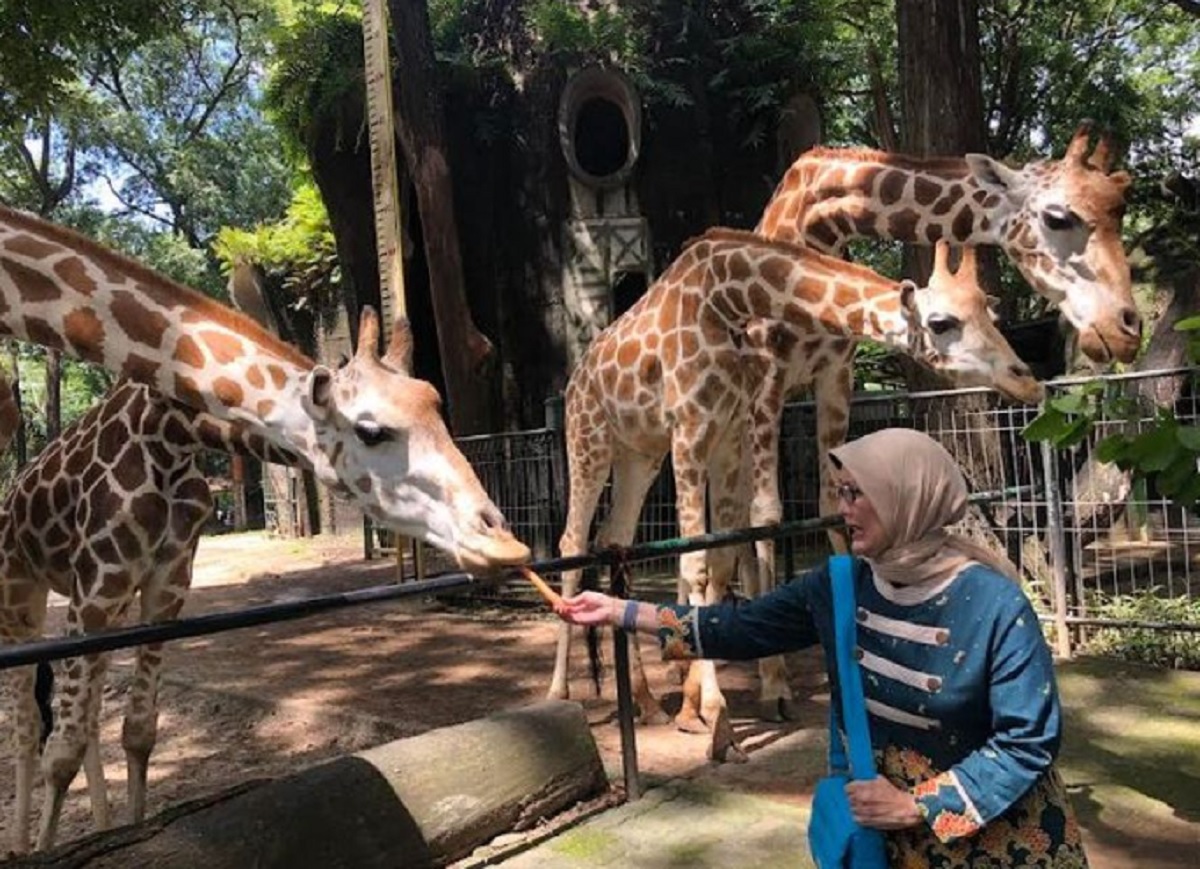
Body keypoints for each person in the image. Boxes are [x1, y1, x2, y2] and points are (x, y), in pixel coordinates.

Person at [557, 428, 1089, 867]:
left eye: (859, 494)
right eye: (840, 492)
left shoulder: (993, 603)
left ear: (908, 497)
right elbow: (740, 627)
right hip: (886, 840)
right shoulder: (841, 585)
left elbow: (1028, 741)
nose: (844, 509)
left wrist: (917, 806)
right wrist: (622, 612)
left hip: (1000, 838)